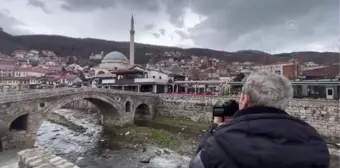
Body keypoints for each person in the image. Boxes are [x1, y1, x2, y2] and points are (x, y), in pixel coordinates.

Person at [189, 72, 330, 168]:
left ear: (244, 101)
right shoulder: (315, 143)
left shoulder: (219, 144)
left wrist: (215, 127)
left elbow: (197, 164)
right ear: (284, 102)